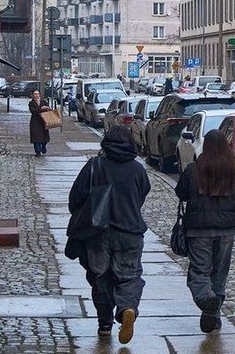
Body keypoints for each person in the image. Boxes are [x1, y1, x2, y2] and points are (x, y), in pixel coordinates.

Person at [68, 125, 150, 341]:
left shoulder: (95, 165)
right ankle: (127, 308)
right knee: (129, 277)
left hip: (98, 232)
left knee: (100, 278)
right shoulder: (138, 169)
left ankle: (105, 323)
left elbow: (75, 198)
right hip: (130, 231)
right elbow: (142, 195)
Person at [174, 127, 235, 333]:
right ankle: (215, 315)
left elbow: (181, 193)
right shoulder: (233, 169)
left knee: (199, 272)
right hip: (226, 229)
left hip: (199, 228)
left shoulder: (194, 169)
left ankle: (206, 300)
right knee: (219, 274)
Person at [28, 90, 50, 155]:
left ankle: (43, 147)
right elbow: (33, 111)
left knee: (44, 137)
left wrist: (47, 108)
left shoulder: (44, 102)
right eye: (35, 94)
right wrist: (41, 108)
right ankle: (38, 151)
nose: (36, 95)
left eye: (38, 94)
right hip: (35, 122)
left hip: (43, 121)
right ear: (33, 95)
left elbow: (48, 109)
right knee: (36, 137)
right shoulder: (31, 103)